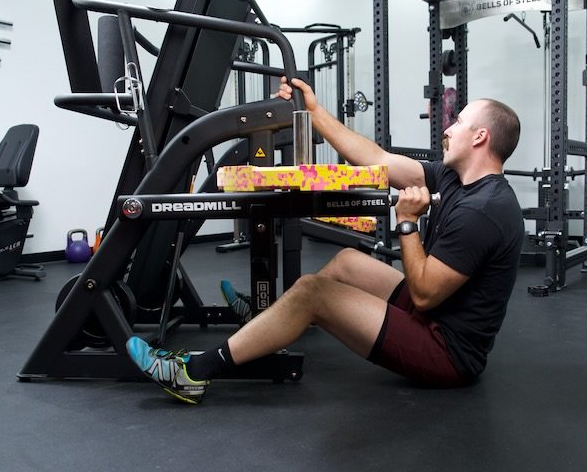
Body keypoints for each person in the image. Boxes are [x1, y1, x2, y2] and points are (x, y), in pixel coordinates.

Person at [127, 78, 524, 404]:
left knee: (313, 292)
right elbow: (377, 160)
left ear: (480, 137)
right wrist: (316, 114)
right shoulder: (455, 179)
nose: (448, 128)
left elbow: (423, 295)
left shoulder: (484, 210)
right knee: (348, 261)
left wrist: (407, 223)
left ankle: (193, 374)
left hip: (446, 349)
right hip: (436, 315)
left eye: (459, 123)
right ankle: (264, 324)